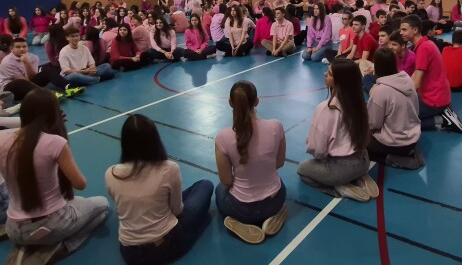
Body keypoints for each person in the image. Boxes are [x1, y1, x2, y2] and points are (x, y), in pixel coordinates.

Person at [0, 89, 109, 261]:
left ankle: (26, 247)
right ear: (53, 113)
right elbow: (80, 184)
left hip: (13, 226)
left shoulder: (2, 138)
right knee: (102, 206)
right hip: (49, 225)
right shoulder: (55, 142)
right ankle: (55, 248)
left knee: (78, 203)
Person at [106, 114, 213, 264]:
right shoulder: (168, 169)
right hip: (165, 246)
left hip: (129, 252)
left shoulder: (111, 173)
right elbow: (177, 211)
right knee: (205, 185)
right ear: (154, 140)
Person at [215, 81, 288, 244]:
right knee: (276, 181)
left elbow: (226, 180)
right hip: (276, 199)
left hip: (242, 209)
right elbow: (279, 163)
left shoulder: (223, 137)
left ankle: (240, 222)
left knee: (219, 191)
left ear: (230, 103)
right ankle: (272, 216)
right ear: (257, 101)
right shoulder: (276, 126)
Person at [297, 59, 376, 202]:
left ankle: (337, 187)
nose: (325, 74)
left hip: (340, 168)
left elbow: (318, 150)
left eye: (330, 74)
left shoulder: (325, 108)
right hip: (363, 161)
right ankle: (359, 176)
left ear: (340, 81)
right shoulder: (360, 103)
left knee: (302, 169)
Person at [399, 15, 462, 133]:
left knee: (400, 121)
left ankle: (441, 119)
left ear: (415, 30)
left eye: (404, 29)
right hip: (436, 95)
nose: (400, 32)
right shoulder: (424, 45)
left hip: (433, 99)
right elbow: (415, 75)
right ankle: (442, 112)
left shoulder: (424, 48)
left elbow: (416, 84)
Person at [366, 48, 421, 166]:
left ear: (377, 66)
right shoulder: (407, 79)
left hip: (395, 143)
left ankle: (395, 159)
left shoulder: (381, 91)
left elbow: (372, 123)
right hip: (413, 137)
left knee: (356, 144)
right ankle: (408, 153)